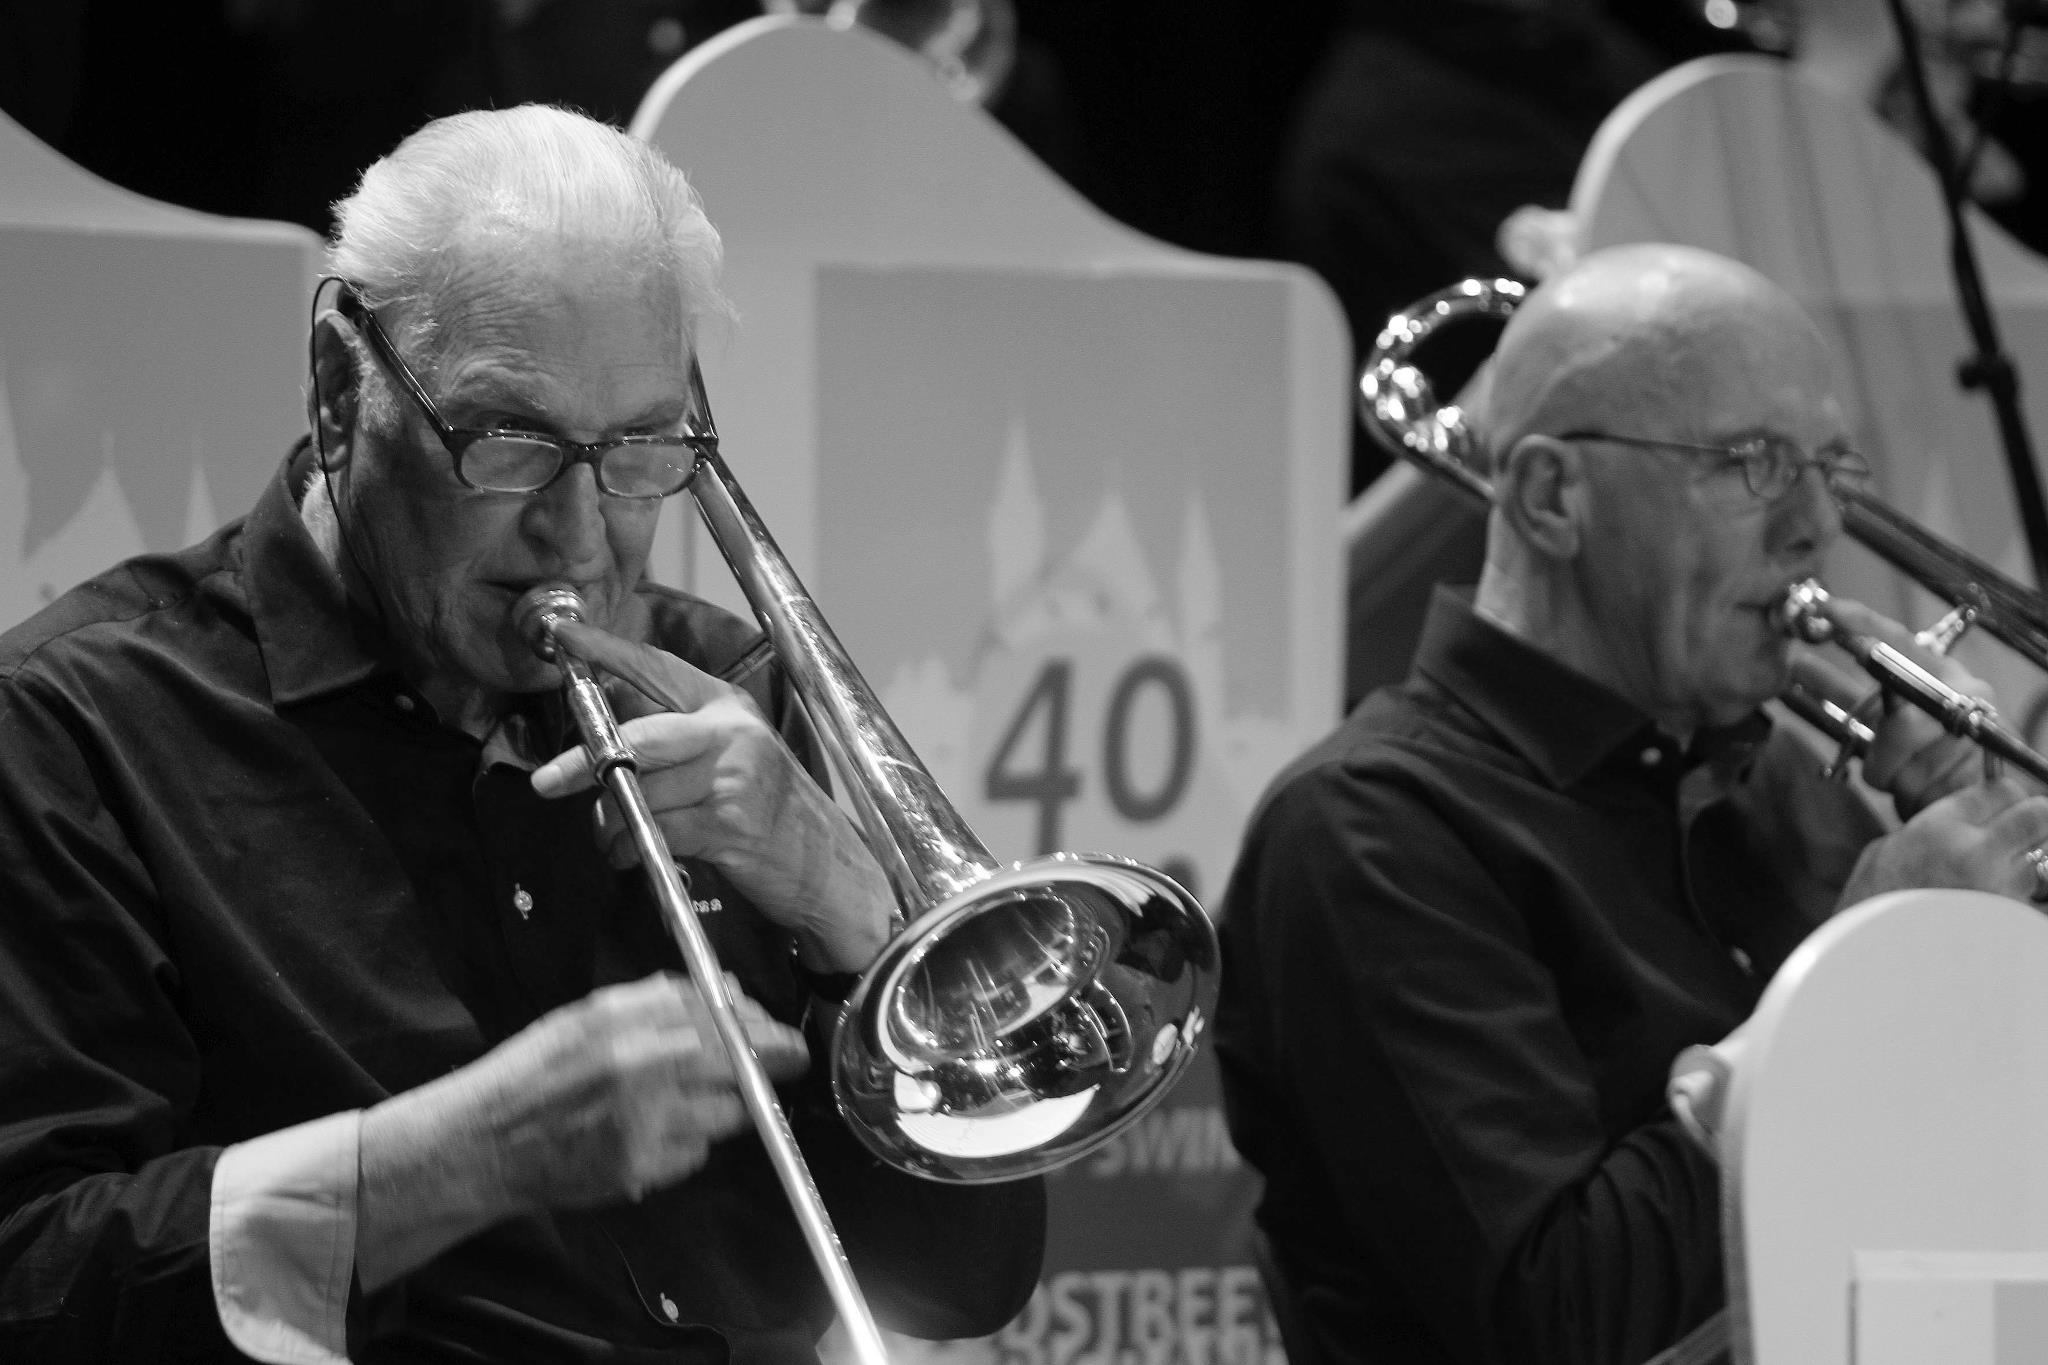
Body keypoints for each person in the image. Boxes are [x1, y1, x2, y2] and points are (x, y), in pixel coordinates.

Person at [0, 104, 1044, 1363]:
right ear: (339, 387)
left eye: (640, 449)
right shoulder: (79, 727)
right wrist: (457, 1159)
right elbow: (32, 1277)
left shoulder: (723, 686)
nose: (580, 537)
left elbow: (966, 1283)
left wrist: (849, 916)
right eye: (510, 446)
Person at [1214, 242, 2048, 1365]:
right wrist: (1867, 978)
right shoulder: (1368, 827)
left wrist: (1988, 892)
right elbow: (1565, 1314)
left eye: (1829, 468)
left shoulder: (1775, 782)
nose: (1816, 526)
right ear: (1551, 496)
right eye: (1754, 463)